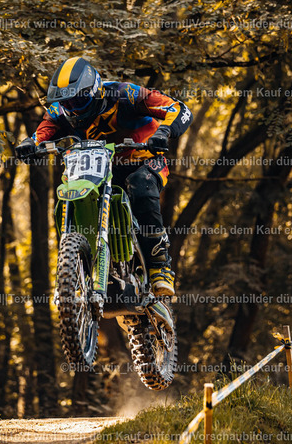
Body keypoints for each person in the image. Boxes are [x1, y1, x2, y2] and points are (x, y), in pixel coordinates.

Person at [16, 56, 193, 296]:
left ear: (96, 91)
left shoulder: (126, 94)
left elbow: (177, 108)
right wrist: (30, 143)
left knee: (139, 185)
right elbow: (43, 132)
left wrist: (164, 131)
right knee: (72, 190)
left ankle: (159, 267)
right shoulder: (59, 110)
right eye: (66, 103)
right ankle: (79, 266)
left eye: (78, 101)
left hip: (143, 160)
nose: (72, 108)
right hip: (97, 168)